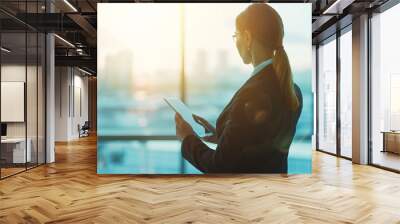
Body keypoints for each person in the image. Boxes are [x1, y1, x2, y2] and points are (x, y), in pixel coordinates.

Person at [175, 3, 303, 173]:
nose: (236, 42)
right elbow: (259, 145)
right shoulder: (293, 90)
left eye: (236, 35)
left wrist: (187, 139)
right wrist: (222, 134)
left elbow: (219, 166)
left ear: (248, 38)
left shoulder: (252, 94)